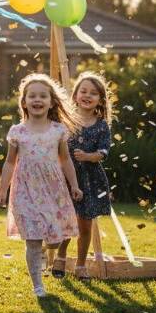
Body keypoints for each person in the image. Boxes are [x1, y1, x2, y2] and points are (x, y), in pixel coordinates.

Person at [0, 73, 82, 298]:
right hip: (25, 190)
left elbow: (65, 159)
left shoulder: (58, 130)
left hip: (53, 189)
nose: (37, 100)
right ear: (24, 102)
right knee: (33, 241)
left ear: (52, 102)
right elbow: (9, 162)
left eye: (42, 96)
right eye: (32, 96)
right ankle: (37, 285)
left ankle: (48, 249)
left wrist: (74, 185)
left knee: (55, 240)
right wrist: (3, 189)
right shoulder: (17, 131)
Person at [55, 72, 113, 281]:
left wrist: (89, 156)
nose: (87, 95)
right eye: (83, 91)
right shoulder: (64, 120)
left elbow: (104, 152)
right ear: (76, 95)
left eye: (94, 93)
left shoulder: (101, 125)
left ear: (100, 99)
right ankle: (60, 257)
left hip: (90, 179)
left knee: (85, 224)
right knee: (65, 221)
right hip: (65, 177)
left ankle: (80, 265)